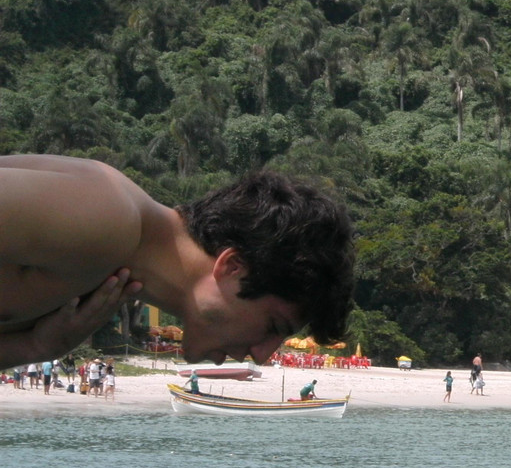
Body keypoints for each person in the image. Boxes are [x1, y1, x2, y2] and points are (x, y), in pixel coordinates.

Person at [0, 154, 355, 371]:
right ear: (232, 267)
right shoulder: (105, 218)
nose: (263, 355)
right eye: (274, 326)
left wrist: (34, 348)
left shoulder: (103, 266)